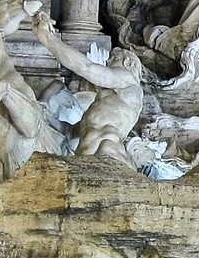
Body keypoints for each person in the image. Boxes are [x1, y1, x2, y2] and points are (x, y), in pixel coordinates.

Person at [32, 12, 144, 166]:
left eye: (115, 59)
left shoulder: (129, 80)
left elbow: (87, 67)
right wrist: (44, 115)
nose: (108, 63)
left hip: (110, 155)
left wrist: (47, 38)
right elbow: (72, 132)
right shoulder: (104, 104)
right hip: (84, 159)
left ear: (129, 65)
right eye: (109, 59)